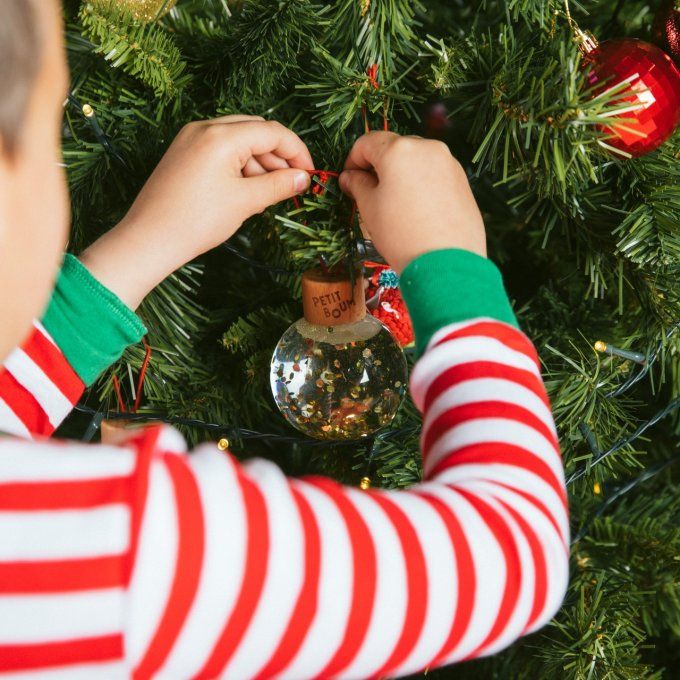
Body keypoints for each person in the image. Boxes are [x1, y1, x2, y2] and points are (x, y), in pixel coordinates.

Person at [0, 1, 569, 678]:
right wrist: (451, 267)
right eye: (44, 132)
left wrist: (142, 246)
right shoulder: (116, 556)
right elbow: (511, 557)